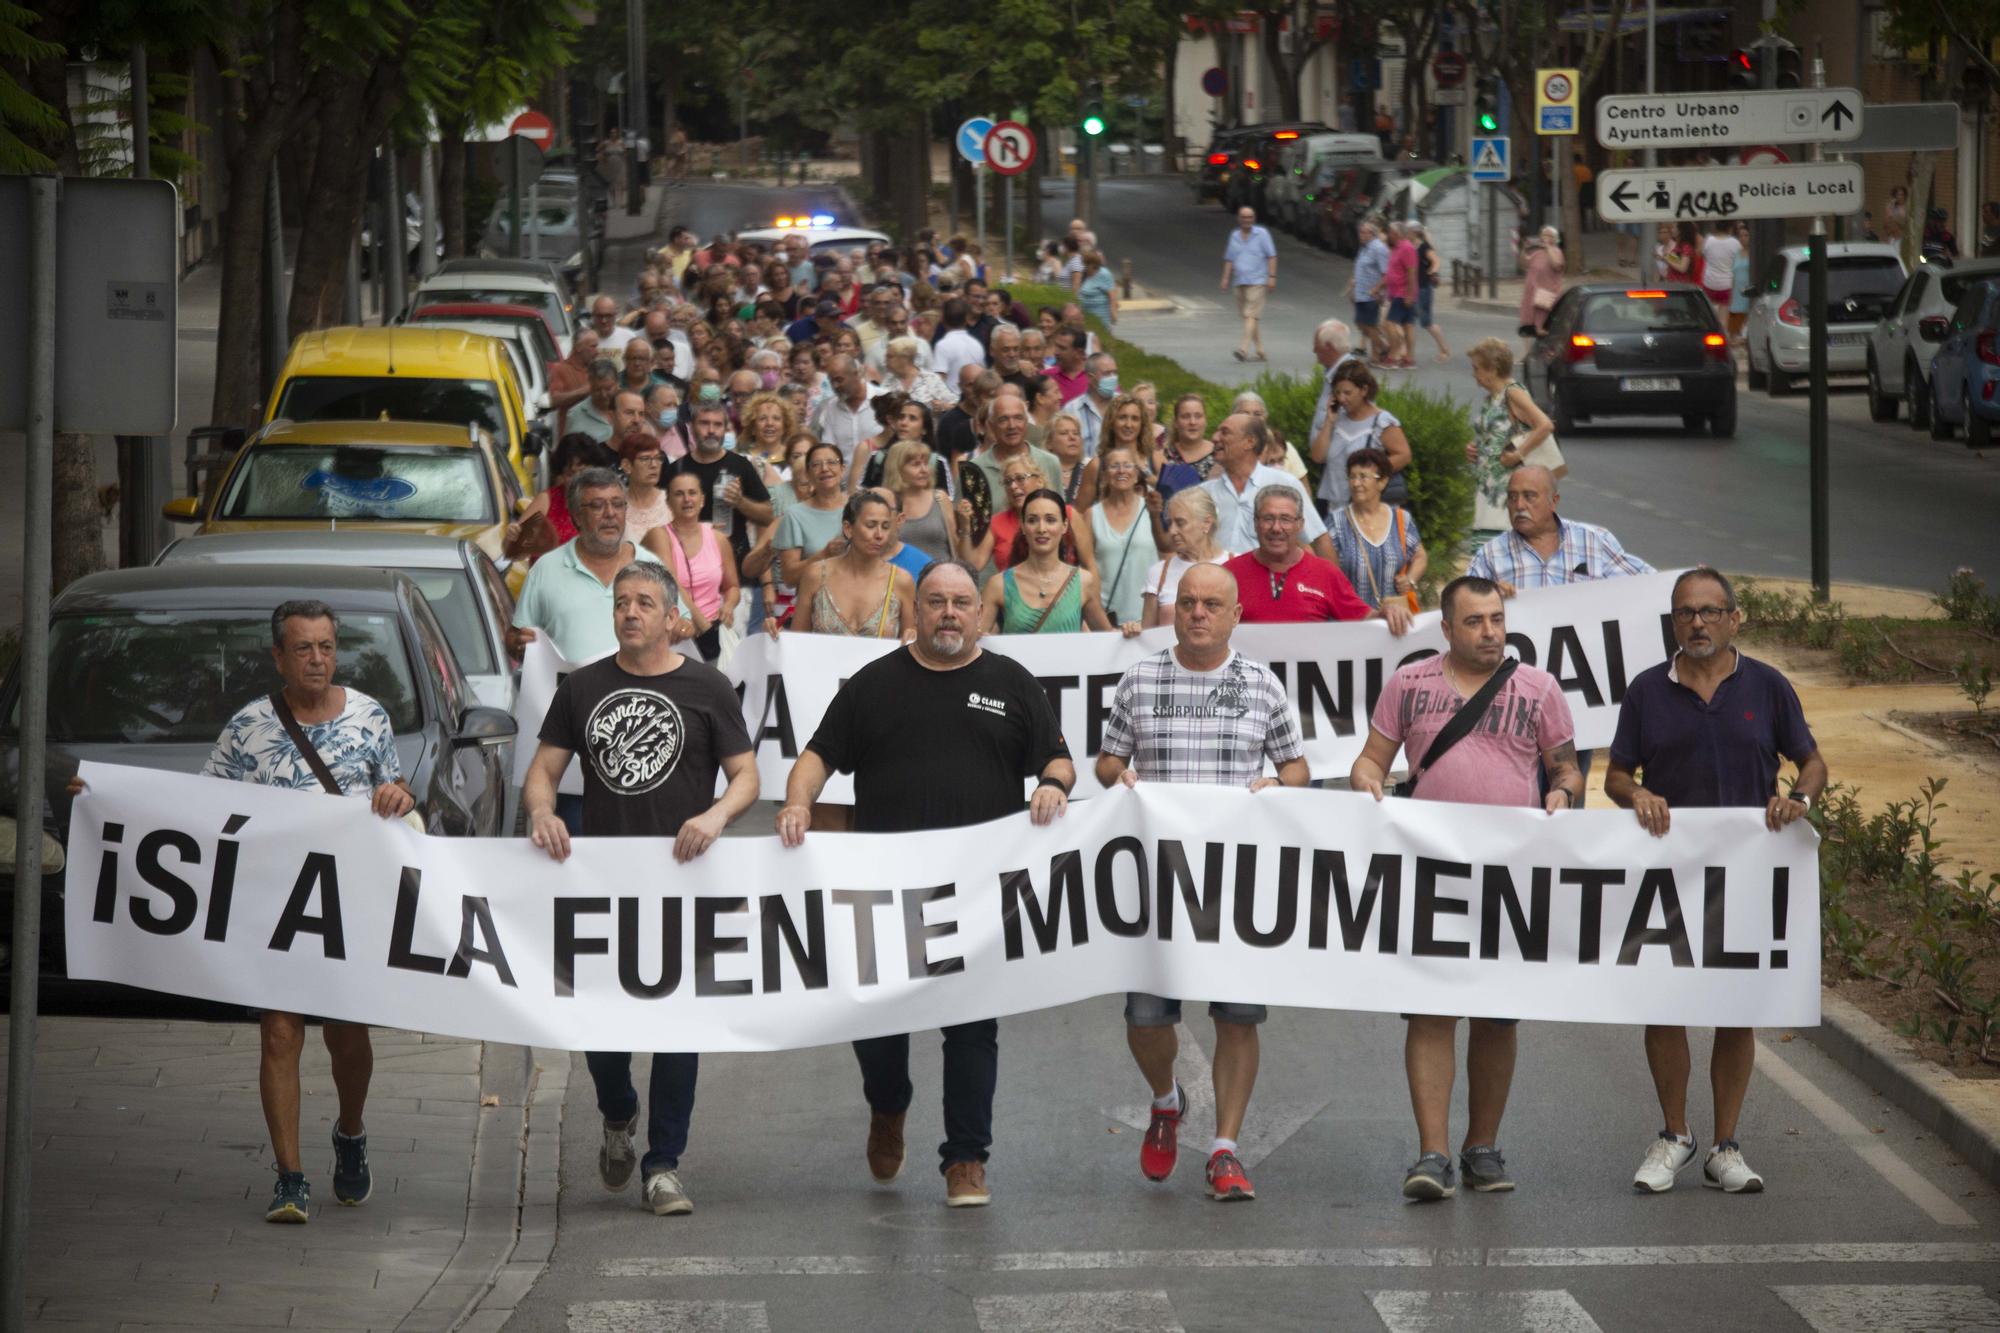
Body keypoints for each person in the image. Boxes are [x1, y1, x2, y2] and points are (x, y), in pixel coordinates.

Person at [777, 560, 1075, 1208]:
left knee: (971, 1027)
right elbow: (816, 758)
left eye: (960, 602)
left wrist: (1053, 783)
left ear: (980, 613)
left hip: (977, 891)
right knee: (879, 1025)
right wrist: (799, 802)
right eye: (935, 600)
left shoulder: (1011, 682)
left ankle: (966, 1157)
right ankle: (889, 1106)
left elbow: (1057, 756)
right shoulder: (873, 685)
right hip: (884, 889)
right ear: (916, 609)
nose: (947, 612)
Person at [523, 561, 759, 1219]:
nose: (630, 612)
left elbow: (745, 776)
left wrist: (715, 815)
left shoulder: (707, 686)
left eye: (645, 602)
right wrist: (542, 811)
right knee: (603, 1025)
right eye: (622, 602)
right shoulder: (584, 687)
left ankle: (663, 1166)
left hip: (686, 883)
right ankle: (618, 1110)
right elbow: (543, 770)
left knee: (678, 1023)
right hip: (604, 886)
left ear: (670, 614)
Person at [1350, 575, 1582, 1201]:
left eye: (1497, 620)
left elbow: (1566, 765)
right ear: (1446, 629)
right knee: (1431, 1010)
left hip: (1510, 871)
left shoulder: (1538, 687)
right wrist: (1367, 780)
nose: (1490, 633)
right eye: (1475, 622)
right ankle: (1433, 1154)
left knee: (1496, 1015)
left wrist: (1562, 790)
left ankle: (1482, 1147)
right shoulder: (1410, 682)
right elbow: (1372, 758)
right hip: (1432, 868)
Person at [1605, 567, 1826, 1195]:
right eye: (1684, 613)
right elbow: (1616, 776)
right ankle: (1675, 1136)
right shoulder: (1647, 691)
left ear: (1735, 618)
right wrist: (1638, 793)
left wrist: (1801, 800)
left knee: (1736, 1010)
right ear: (1672, 622)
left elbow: (1810, 760)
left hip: (1749, 872)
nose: (1696, 622)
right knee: (1665, 1004)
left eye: (1708, 611)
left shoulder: (1768, 685)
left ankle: (1726, 1147)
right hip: (1668, 875)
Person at [1095, 563, 1309, 1202]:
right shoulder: (1140, 679)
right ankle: (1166, 1100)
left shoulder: (1261, 686)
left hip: (1234, 883)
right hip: (1157, 886)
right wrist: (1119, 778)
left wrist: (1277, 785)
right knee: (1144, 1018)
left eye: (1211, 604)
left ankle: (1224, 1150)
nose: (1196, 613)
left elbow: (1297, 768)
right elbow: (1108, 762)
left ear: (1235, 615)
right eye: (1186, 601)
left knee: (1237, 1019)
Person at [196, 600, 413, 1223]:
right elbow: (196, 805)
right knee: (280, 1030)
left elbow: (394, 794)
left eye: (325, 646)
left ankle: (350, 1132)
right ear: (278, 657)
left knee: (348, 1035)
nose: (316, 658)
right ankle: (290, 1177)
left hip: (349, 901)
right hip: (275, 904)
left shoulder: (369, 715)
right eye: (303, 648)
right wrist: (112, 796)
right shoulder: (248, 728)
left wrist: (398, 795)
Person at [509, 467, 672, 678]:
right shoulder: (545, 568)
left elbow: (681, 626)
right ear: (577, 517)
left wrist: (683, 628)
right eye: (597, 506)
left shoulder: (651, 567)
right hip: (571, 701)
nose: (610, 513)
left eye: (617, 504)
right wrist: (519, 644)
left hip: (636, 701)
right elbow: (515, 637)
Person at [1467, 466, 1653, 595]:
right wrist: (1489, 596)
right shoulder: (1490, 555)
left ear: (1553, 502)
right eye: (1512, 497)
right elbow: (1463, 604)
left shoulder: (1593, 541)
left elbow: (1648, 584)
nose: (1519, 505)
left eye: (1529, 497)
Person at [1226, 485, 1391, 628]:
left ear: (1300, 525)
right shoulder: (1229, 575)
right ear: (1255, 523)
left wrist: (1388, 613)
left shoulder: (1325, 573)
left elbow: (1364, 619)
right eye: (1268, 519)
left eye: (1285, 519)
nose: (1276, 528)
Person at [983, 489, 1122, 634]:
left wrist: (1130, 632)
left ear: (1064, 525)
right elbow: (976, 642)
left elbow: (1107, 637)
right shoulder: (998, 585)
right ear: (1023, 526)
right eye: (1032, 520)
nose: (1041, 529)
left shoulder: (1083, 582)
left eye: (1050, 520)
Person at [1202, 413, 1333, 560]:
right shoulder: (1204, 493)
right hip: (1216, 580)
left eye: (1225, 432)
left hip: (1268, 580)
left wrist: (1334, 582)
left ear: (1249, 442)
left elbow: (1319, 538)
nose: (1215, 437)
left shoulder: (1285, 484)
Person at [641, 471, 741, 663]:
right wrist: (703, 627)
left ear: (702, 499)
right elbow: (670, 584)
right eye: (679, 494)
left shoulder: (718, 538)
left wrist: (728, 606)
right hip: (675, 632)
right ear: (668, 501)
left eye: (692, 493)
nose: (687, 499)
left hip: (713, 630)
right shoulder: (658, 535)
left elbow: (732, 586)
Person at [1463, 338, 1558, 534]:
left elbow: (1545, 425)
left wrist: (1518, 454)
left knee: (1497, 543)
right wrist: (1475, 447)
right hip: (1488, 485)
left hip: (1505, 486)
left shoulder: (1513, 392)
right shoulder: (1492, 397)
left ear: (1493, 368)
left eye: (1477, 368)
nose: (1474, 374)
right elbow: (1498, 432)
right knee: (1485, 545)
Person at [668, 401, 772, 578]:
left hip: (735, 567)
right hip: (690, 569)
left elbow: (768, 515)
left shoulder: (741, 465)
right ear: (692, 427)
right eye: (704, 423)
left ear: (725, 429)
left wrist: (740, 502)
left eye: (717, 425)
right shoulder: (676, 469)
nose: (711, 430)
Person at [792, 490, 916, 637]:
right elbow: (796, 640)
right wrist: (773, 634)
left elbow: (910, 645)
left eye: (885, 526)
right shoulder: (816, 575)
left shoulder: (901, 581)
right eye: (871, 525)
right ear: (848, 529)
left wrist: (913, 636)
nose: (879, 535)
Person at [1328, 447, 1426, 623]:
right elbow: (1325, 571)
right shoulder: (1336, 522)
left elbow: (1420, 556)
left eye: (1363, 477)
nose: (1356, 483)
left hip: (1394, 622)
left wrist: (1410, 580)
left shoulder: (1401, 519)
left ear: (1382, 482)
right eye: (1352, 477)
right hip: (1351, 622)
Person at [1311, 361, 1412, 513]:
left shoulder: (1381, 422)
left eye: (1347, 393)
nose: (1342, 398)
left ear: (1363, 390)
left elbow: (1404, 455)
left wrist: (1370, 473)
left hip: (1367, 508)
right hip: (1334, 505)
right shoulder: (1337, 419)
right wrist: (1329, 422)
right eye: (1337, 393)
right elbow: (1318, 457)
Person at [1086, 439, 1164, 626]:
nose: (1121, 471)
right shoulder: (1091, 515)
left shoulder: (1153, 509)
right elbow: (1089, 569)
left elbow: (1166, 559)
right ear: (1104, 476)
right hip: (1106, 619)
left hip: (1147, 618)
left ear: (1137, 474)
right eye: (1114, 466)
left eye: (1127, 465)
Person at [1142, 487, 1231, 629]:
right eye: (1169, 523)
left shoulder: (1235, 565)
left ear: (1207, 523)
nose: (1172, 531)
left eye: (1180, 523)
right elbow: (1146, 636)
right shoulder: (1158, 573)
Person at [773, 440, 852, 591]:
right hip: (815, 603)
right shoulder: (794, 515)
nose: (825, 469)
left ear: (842, 469)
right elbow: (789, 578)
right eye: (816, 464)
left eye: (831, 462)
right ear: (808, 474)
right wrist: (824, 554)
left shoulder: (859, 507)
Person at [884, 438, 959, 564]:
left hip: (940, 577)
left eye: (926, 463)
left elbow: (956, 546)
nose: (924, 470)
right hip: (898, 579)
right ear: (898, 469)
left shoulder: (940, 498)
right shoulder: (885, 502)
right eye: (916, 464)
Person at [1222, 206, 1277, 362]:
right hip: (1239, 281)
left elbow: (1272, 256)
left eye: (1250, 217)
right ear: (1239, 219)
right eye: (1244, 217)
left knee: (1250, 315)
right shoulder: (1234, 236)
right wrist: (1225, 278)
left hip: (1258, 280)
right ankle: (1259, 349)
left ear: (1254, 219)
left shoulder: (1262, 234)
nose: (1247, 220)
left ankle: (1243, 349)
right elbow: (1229, 258)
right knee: (1248, 318)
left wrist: (1272, 276)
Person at [1156, 392, 1217, 502]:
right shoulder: (1162, 456)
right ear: (1176, 422)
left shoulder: (1219, 455)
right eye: (1185, 417)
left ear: (1205, 421)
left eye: (1198, 416)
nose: (1192, 422)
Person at [1060, 352, 1121, 459]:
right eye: (1106, 374)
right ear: (1090, 378)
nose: (1113, 378)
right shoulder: (1071, 410)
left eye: (1115, 373)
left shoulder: (1124, 405)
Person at [1347, 221, 1392, 363]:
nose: (1360, 235)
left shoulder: (1379, 248)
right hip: (1361, 292)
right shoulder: (1364, 248)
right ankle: (1382, 347)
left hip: (1372, 294)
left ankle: (1381, 350)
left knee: (1369, 324)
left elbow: (1386, 273)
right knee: (1361, 323)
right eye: (1359, 232)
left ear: (1371, 234)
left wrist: (1377, 289)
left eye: (1363, 232)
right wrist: (1354, 285)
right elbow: (1362, 268)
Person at [619, 431, 671, 544]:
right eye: (645, 459)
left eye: (658, 458)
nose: (654, 465)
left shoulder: (670, 502)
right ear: (626, 465)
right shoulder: (616, 506)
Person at [882, 335, 956, 413]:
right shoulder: (888, 381)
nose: (885, 361)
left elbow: (955, 406)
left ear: (904, 358)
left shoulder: (930, 379)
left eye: (889, 357)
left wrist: (943, 406)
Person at [1382, 221, 1420, 369]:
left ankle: (1394, 355)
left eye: (1390, 232)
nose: (1388, 235)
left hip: (1403, 293)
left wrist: (1409, 295)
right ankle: (1409, 359)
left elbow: (1411, 272)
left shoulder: (1406, 248)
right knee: (1407, 325)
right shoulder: (1397, 248)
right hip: (1398, 292)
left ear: (1396, 234)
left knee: (1389, 323)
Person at [1411, 222, 1450, 362]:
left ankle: (1444, 350)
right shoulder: (1412, 246)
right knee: (1410, 321)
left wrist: (1432, 271)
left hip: (1423, 289)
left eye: (1408, 231)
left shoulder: (1423, 247)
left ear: (1414, 232)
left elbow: (1436, 260)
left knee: (1425, 323)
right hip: (1415, 288)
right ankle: (1406, 353)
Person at [1519, 226, 1565, 341]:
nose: (1544, 237)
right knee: (1530, 329)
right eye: (1543, 235)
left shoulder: (1556, 252)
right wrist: (1524, 249)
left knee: (1543, 327)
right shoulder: (1538, 253)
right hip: (1533, 294)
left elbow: (1557, 265)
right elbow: (1524, 263)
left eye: (1548, 235)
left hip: (1546, 295)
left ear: (1555, 239)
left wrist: (1549, 247)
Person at [931, 297, 988, 384]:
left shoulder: (942, 346)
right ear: (966, 319)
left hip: (950, 396)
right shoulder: (977, 345)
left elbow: (939, 381)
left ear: (943, 319)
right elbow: (983, 375)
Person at [567, 359, 622, 443]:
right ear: (590, 386)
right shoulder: (575, 415)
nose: (603, 395)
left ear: (617, 384)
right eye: (597, 390)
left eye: (608, 389)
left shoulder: (631, 407)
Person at [1699, 220, 1742, 313]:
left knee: (1709, 315)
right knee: (1723, 318)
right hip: (1726, 284)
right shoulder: (1735, 243)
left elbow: (1702, 255)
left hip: (1709, 283)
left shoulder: (1708, 240)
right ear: (1730, 228)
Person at [1076, 249, 1118, 327]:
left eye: (1085, 263)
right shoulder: (1084, 274)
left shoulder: (1104, 274)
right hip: (1087, 317)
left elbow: (1112, 296)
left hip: (1101, 318)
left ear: (1092, 264)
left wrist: (1113, 314)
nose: (1083, 266)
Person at [1049, 326, 1091, 404]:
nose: (1056, 352)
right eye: (1056, 346)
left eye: (1062, 348)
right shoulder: (1046, 376)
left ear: (1079, 353)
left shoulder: (1097, 378)